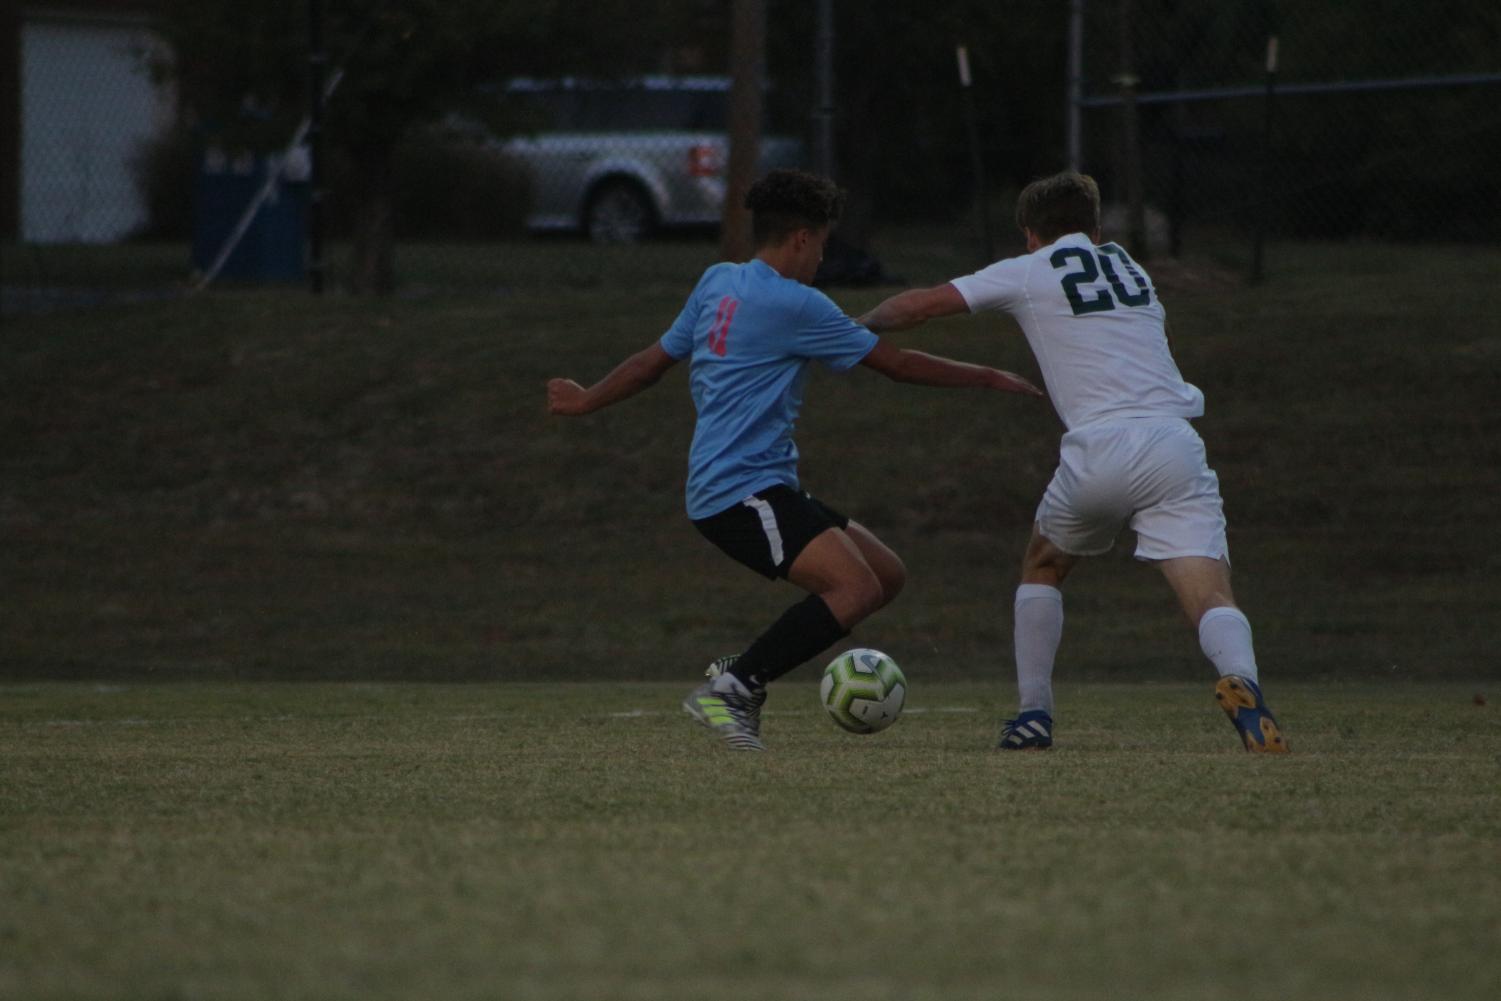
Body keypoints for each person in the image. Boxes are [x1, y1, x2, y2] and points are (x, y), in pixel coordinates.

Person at [547, 169, 1042, 751]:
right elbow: (897, 364)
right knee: (853, 590)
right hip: (737, 493)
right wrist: (985, 375)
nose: (823, 258)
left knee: (885, 576)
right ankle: (735, 688)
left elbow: (650, 362)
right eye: (824, 244)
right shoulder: (798, 304)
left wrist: (586, 399)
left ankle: (754, 660)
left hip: (760, 486)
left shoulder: (718, 282)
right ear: (803, 239)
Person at [858, 170, 1287, 753]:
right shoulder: (1128, 267)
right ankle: (1243, 685)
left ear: (1029, 234)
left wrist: (852, 327)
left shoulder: (1029, 269)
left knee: (1044, 565)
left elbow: (921, 307)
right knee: (1211, 594)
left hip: (1100, 446)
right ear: (1095, 225)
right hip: (1173, 443)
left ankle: (1034, 715)